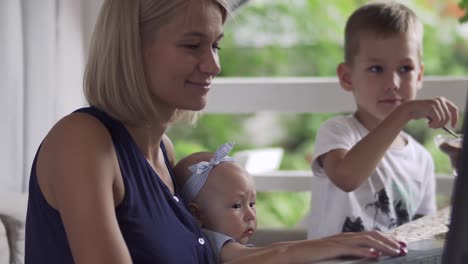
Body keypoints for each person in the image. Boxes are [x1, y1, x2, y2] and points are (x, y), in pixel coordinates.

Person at [23, 0, 404, 263]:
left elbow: (214, 254)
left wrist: (325, 247)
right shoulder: (83, 141)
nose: (213, 65)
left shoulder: (164, 152)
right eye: (192, 45)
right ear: (131, 49)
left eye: (216, 45)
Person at [307, 1, 459, 240]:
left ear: (419, 76)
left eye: (405, 69)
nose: (393, 83)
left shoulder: (422, 159)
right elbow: (348, 177)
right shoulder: (338, 132)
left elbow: (423, 234)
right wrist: (404, 112)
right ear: (347, 77)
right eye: (377, 69)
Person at [175, 142, 406, 263]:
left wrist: (333, 242)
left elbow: (273, 250)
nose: (250, 215)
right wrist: (329, 247)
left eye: (252, 204)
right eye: (237, 205)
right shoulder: (213, 242)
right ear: (197, 214)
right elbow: (273, 254)